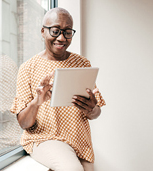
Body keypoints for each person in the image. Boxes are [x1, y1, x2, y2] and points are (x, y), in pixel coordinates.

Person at [10, 7, 106, 171]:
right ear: (43, 31)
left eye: (67, 32)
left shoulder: (82, 64)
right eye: (55, 31)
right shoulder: (28, 68)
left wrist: (91, 109)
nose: (61, 38)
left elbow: (96, 113)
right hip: (44, 139)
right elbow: (24, 124)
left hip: (79, 140)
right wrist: (36, 102)